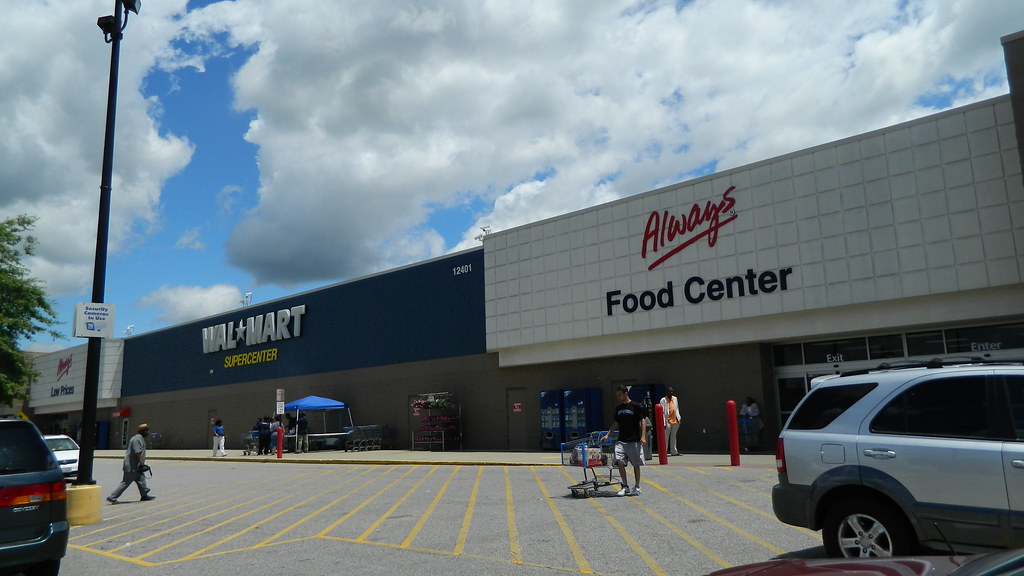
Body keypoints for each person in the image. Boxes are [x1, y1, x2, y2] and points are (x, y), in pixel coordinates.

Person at [601, 385, 647, 496]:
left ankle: (637, 486)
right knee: (619, 461)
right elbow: (616, 423)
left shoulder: (635, 406)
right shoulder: (618, 408)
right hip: (621, 440)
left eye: (620, 395)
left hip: (634, 440)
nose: (618, 397)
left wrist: (643, 436)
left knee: (636, 464)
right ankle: (625, 486)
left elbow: (642, 421)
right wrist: (608, 435)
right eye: (617, 395)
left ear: (626, 393)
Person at [107, 423, 155, 504]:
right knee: (126, 482)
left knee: (141, 480)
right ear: (142, 431)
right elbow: (137, 452)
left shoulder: (139, 438)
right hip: (132, 466)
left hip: (136, 466)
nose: (148, 432)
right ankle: (112, 497)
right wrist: (142, 463)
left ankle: (144, 495)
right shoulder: (137, 439)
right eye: (147, 431)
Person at [659, 388, 682, 456]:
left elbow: (677, 408)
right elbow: (662, 412)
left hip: (675, 420)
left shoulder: (675, 398)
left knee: (674, 437)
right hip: (667, 421)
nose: (671, 393)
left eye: (672, 391)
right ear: (666, 392)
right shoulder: (663, 400)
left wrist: (679, 418)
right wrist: (663, 423)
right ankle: (664, 452)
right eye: (670, 391)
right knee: (666, 437)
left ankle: (674, 451)